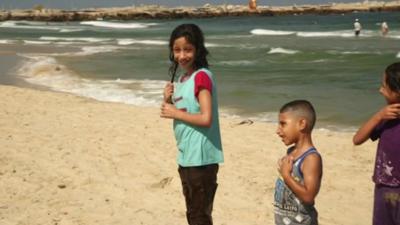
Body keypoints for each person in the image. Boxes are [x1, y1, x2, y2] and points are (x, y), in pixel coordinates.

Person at [160, 23, 224, 225]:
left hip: (202, 159)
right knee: (193, 213)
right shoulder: (183, 79)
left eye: (187, 49)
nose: (182, 55)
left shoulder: (201, 76)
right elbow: (184, 111)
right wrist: (168, 99)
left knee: (199, 216)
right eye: (177, 50)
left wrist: (174, 112)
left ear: (198, 50)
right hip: (186, 156)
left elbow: (206, 118)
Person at [353, 62, 400, 225]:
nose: (380, 90)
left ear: (397, 91)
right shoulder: (387, 116)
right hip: (383, 188)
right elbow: (357, 139)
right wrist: (378, 116)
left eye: (384, 86)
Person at [274, 100, 323, 225]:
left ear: (302, 124)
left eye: (283, 124)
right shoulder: (291, 151)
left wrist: (286, 176)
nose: (278, 130)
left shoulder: (311, 158)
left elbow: (309, 196)